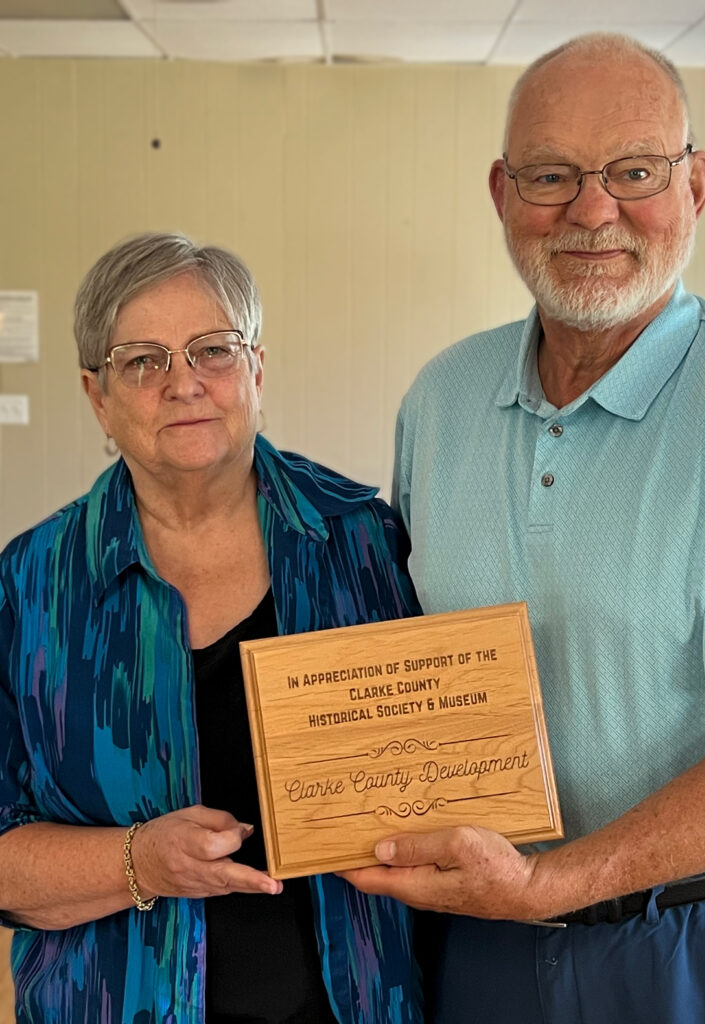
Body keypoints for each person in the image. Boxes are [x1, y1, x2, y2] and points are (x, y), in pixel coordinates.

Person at [342, 32, 705, 1024]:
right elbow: (405, 667)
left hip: (702, 944)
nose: (592, 212)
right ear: (502, 193)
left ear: (696, 186)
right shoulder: (442, 396)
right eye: (552, 175)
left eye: (635, 171)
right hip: (484, 941)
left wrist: (548, 885)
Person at [0, 233, 422, 1024]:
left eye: (213, 350)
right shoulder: (30, 585)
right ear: (98, 396)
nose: (184, 382)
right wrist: (140, 862)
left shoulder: (367, 544)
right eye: (142, 361)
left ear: (256, 370)